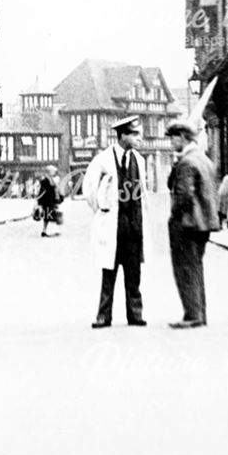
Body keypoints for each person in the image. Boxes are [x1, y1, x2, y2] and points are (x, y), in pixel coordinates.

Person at [82, 115, 147, 329]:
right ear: (123, 136)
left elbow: (142, 193)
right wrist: (102, 210)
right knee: (108, 274)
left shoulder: (139, 159)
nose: (139, 138)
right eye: (134, 134)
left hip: (134, 227)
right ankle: (103, 315)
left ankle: (135, 314)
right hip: (113, 226)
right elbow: (89, 189)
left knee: (134, 274)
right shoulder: (103, 160)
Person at [166, 119, 220, 329]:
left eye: (173, 138)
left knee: (185, 269)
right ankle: (199, 313)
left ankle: (192, 315)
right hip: (203, 224)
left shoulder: (187, 162)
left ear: (182, 137)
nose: (171, 142)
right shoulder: (204, 160)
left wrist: (175, 215)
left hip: (187, 224)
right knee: (195, 268)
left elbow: (183, 194)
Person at [36, 164, 61, 237]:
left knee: (51, 215)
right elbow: (42, 191)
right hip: (47, 201)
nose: (55, 173)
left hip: (50, 201)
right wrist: (39, 201)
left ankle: (48, 230)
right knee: (49, 216)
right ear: (50, 172)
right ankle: (45, 231)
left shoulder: (51, 179)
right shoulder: (45, 180)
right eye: (54, 171)